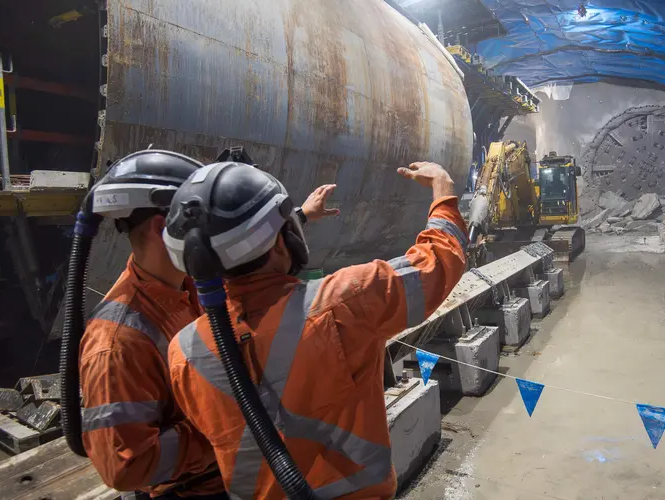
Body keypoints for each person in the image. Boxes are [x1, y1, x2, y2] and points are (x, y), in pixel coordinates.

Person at [165, 161, 467, 499]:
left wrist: (299, 217)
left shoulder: (184, 353)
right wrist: (443, 189)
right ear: (280, 244)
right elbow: (439, 262)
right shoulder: (346, 300)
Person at [79, 149, 340, 498]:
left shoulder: (188, 281)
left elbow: (241, 245)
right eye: (208, 223)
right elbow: (125, 466)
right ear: (163, 228)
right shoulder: (117, 344)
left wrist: (299, 217)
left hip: (240, 470)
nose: (219, 233)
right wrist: (223, 422)